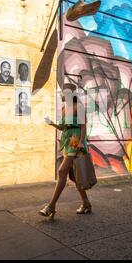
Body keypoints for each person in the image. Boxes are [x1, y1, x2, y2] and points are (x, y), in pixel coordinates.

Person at [39, 83, 91, 219]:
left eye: (63, 92)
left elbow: (83, 127)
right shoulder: (64, 108)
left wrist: (80, 142)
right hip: (66, 140)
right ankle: (86, 203)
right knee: (74, 175)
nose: (61, 94)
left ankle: (51, 206)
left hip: (75, 139)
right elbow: (63, 127)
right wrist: (51, 123)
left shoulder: (78, 107)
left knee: (62, 171)